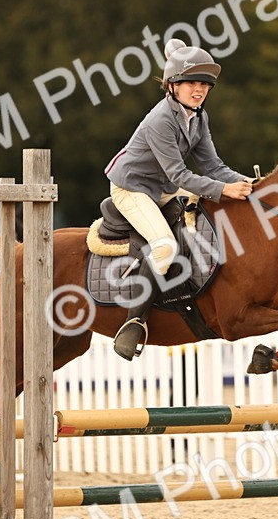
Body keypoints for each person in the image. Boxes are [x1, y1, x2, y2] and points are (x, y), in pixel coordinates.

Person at [104, 38, 253, 360]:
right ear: (172, 86)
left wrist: (249, 183)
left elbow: (213, 166)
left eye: (204, 84)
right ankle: (133, 321)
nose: (198, 90)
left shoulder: (199, 117)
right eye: (190, 84)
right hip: (133, 189)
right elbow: (179, 175)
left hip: (163, 188)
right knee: (165, 246)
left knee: (213, 219)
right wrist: (223, 189)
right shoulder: (161, 119)